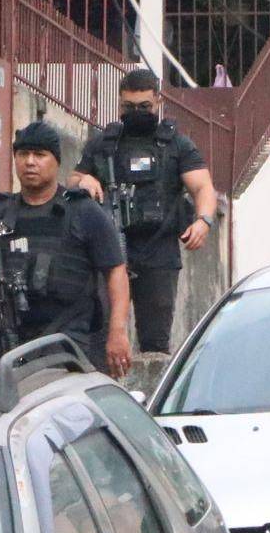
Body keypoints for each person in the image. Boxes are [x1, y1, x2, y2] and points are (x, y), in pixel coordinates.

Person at [0, 122, 133, 376]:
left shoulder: (83, 212)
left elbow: (116, 271)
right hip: (6, 347)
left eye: (39, 155)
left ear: (56, 161)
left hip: (68, 348)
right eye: (23, 154)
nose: (30, 162)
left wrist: (117, 332)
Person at [69, 68, 216, 355]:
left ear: (158, 101)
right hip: (110, 250)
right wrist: (83, 180)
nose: (136, 113)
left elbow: (202, 187)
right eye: (129, 107)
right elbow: (72, 180)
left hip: (159, 252)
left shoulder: (176, 144)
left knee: (155, 345)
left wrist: (204, 220)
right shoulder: (104, 144)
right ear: (119, 104)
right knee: (102, 339)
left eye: (144, 106)